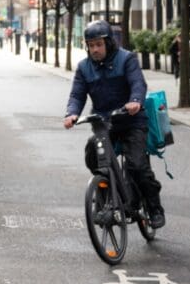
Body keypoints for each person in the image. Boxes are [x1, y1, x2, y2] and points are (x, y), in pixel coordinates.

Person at [63, 20, 165, 228]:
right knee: (94, 157)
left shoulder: (126, 59)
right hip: (104, 124)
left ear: (109, 43)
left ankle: (154, 208)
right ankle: (108, 195)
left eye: (98, 44)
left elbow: (138, 82)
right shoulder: (84, 68)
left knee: (137, 165)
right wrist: (72, 113)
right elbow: (77, 94)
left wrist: (136, 101)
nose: (94, 49)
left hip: (131, 121)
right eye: (91, 45)